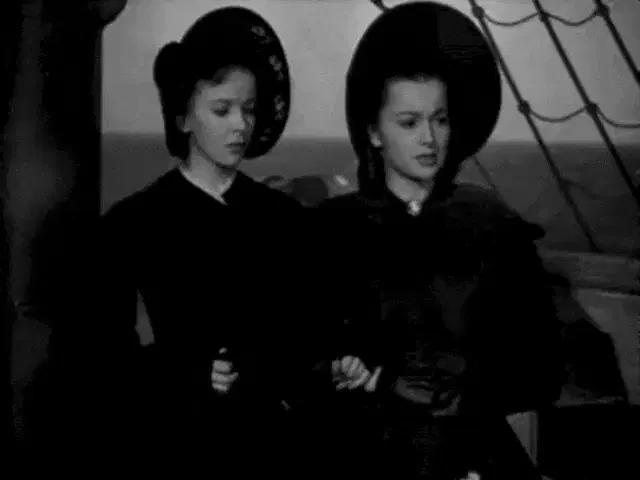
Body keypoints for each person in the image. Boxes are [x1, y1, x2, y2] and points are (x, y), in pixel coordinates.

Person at [316, 2, 565, 479]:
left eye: (441, 120)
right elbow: (303, 357)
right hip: (370, 456)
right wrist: (377, 380)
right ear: (374, 132)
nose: (429, 138)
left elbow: (544, 367)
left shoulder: (493, 224)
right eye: (409, 122)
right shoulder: (333, 229)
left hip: (476, 452)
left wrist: (463, 392)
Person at [88, 6, 322, 474]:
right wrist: (187, 372)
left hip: (275, 441)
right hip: (178, 439)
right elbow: (102, 354)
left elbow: (309, 335)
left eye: (249, 110)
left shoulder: (284, 218)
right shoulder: (134, 222)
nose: (240, 125)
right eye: (222, 109)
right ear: (183, 117)